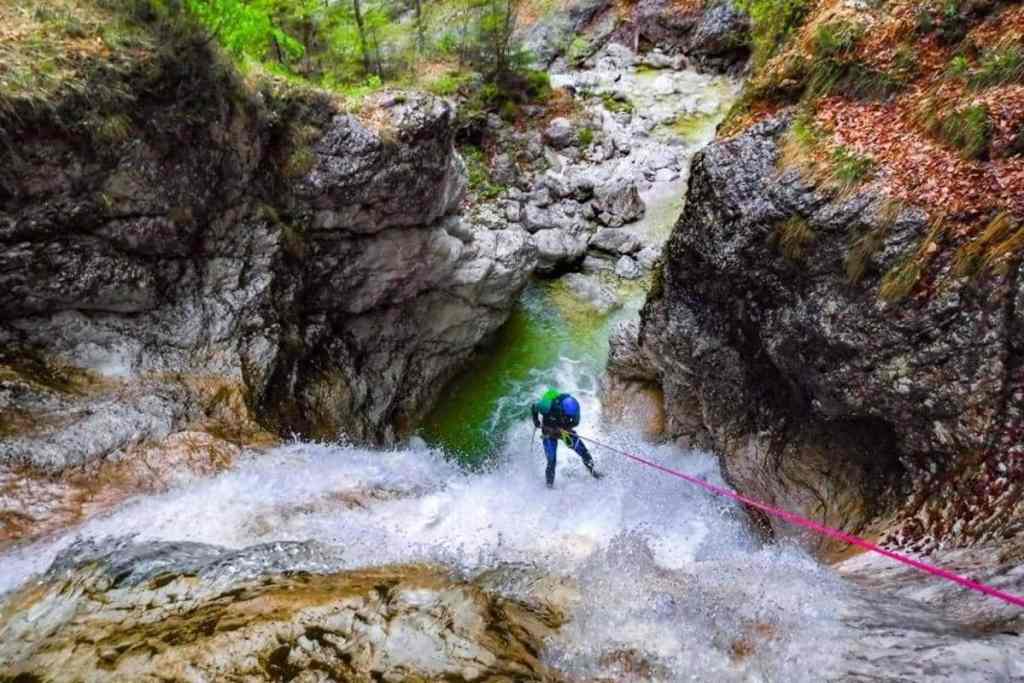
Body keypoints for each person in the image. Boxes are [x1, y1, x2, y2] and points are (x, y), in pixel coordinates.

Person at [531, 388, 603, 488]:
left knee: (583, 452)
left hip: (564, 430)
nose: (569, 416)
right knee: (551, 460)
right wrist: (536, 421)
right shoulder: (546, 406)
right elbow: (534, 407)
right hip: (548, 430)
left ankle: (594, 472)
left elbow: (575, 422)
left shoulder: (574, 407)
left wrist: (565, 429)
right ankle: (549, 486)